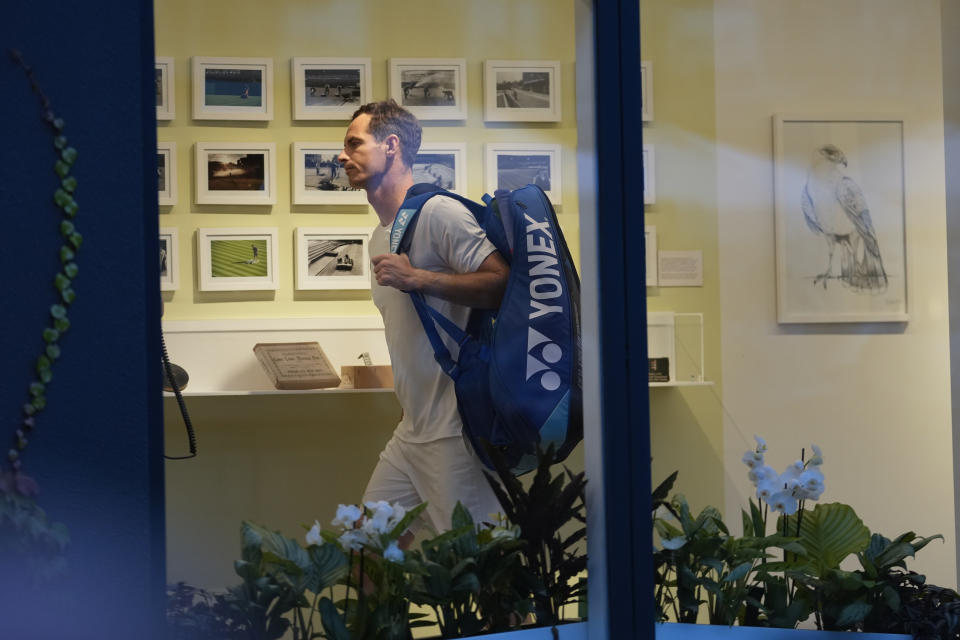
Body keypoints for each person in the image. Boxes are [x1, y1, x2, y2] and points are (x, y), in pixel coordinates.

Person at [338, 100, 509, 535]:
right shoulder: (379, 235)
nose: (342, 156)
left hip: (455, 436)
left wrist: (419, 278)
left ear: (391, 145)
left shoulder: (440, 214)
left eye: (354, 144)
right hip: (412, 432)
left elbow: (499, 283)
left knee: (487, 575)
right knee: (366, 551)